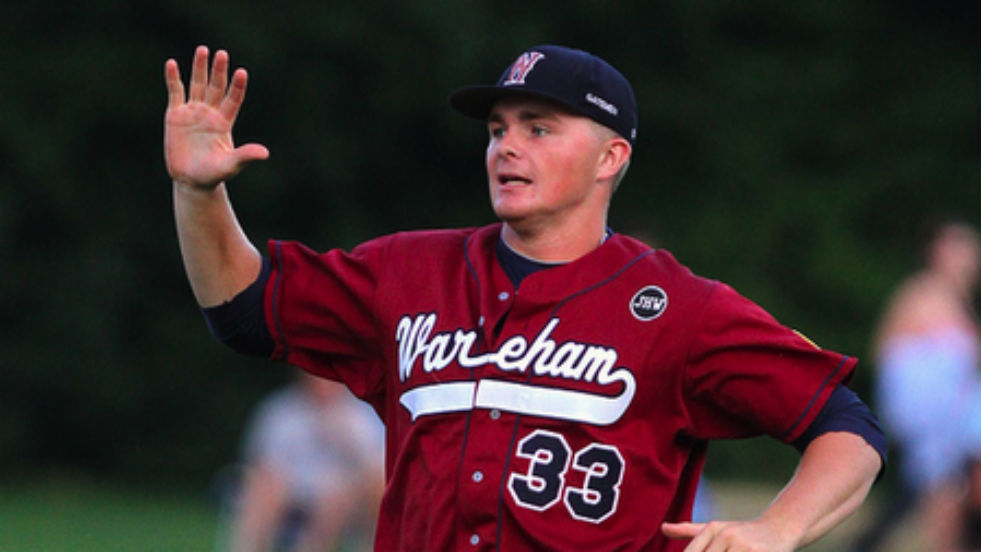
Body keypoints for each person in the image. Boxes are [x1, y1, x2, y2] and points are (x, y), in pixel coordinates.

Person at [164, 44, 886, 551]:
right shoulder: (406, 272)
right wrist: (200, 193)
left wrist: (778, 527)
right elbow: (244, 312)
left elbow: (845, 427)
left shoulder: (675, 308)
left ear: (610, 158)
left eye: (539, 129)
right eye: (498, 129)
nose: (507, 147)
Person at [850, 219, 980, 552]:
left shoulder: (959, 304)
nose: (970, 257)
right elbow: (888, 355)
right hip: (933, 420)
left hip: (952, 420)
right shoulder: (918, 296)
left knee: (921, 493)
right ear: (937, 252)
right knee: (942, 493)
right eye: (961, 247)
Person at [224, 370, 384, 552]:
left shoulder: (359, 417)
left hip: (341, 495)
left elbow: (375, 471)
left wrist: (344, 438)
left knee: (337, 500)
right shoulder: (281, 411)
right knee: (260, 489)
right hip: (289, 489)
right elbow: (261, 461)